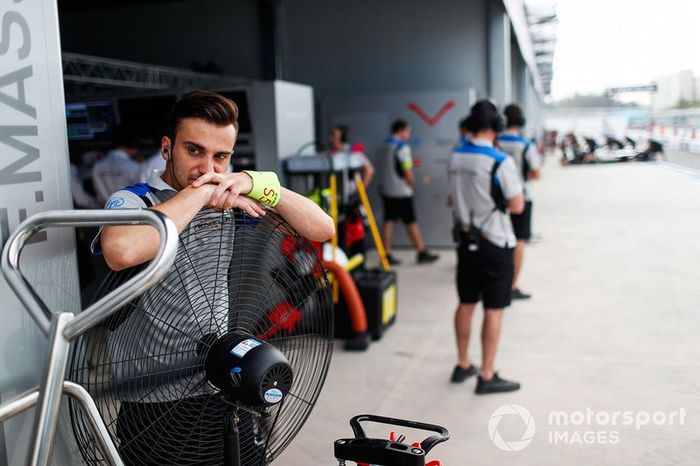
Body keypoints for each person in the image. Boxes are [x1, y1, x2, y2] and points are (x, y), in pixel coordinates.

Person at [97, 91, 335, 463]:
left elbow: (322, 228)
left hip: (224, 380)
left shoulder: (231, 199)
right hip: (155, 401)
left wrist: (256, 183)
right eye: (194, 151)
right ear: (166, 148)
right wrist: (204, 191)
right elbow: (121, 251)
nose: (207, 167)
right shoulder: (134, 201)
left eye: (220, 157)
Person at [448, 100, 524, 394]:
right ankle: (487, 374)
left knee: (466, 303)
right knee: (493, 309)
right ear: (496, 128)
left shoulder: (455, 156)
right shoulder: (499, 161)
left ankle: (463, 363)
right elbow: (517, 205)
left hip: (465, 242)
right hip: (494, 243)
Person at [496, 103, 542, 300]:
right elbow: (536, 173)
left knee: (499, 240)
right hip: (521, 196)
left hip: (497, 198)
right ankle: (512, 285)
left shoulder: (495, 141)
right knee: (519, 241)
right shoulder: (525, 145)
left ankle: (497, 280)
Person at [378, 119, 439, 265]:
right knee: (411, 222)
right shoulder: (402, 148)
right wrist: (412, 184)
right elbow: (407, 170)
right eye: (407, 131)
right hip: (402, 192)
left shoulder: (385, 146)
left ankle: (386, 254)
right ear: (400, 131)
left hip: (388, 191)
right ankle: (421, 251)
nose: (408, 134)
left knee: (389, 222)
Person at [91, 126, 144, 205]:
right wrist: (143, 166)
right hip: (131, 213)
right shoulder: (134, 167)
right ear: (133, 144)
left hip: (104, 213)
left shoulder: (97, 166)